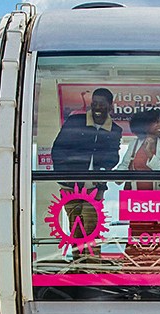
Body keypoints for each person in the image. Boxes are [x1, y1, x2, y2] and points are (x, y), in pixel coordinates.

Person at [50, 87, 123, 242]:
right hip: (70, 184)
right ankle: (79, 264)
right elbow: (58, 149)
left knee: (92, 227)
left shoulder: (115, 130)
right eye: (94, 103)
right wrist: (66, 175)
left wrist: (102, 172)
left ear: (110, 106)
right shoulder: (75, 121)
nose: (97, 107)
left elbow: (113, 157)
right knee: (75, 228)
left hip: (95, 187)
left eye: (102, 104)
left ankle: (93, 264)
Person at [119, 109, 160, 270]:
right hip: (139, 205)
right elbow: (123, 168)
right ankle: (139, 282)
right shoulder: (134, 144)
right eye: (155, 122)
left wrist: (151, 156)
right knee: (139, 245)